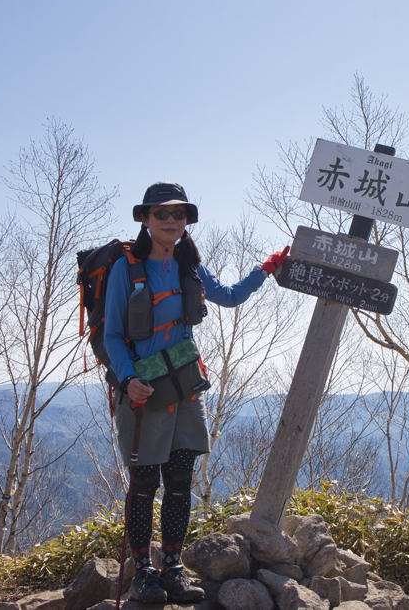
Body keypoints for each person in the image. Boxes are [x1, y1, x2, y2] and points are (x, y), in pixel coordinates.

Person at [102, 181, 288, 604]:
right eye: (161, 213)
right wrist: (128, 379)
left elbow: (228, 295)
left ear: (187, 220)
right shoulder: (126, 269)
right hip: (143, 393)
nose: (171, 220)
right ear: (145, 219)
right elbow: (113, 334)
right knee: (145, 483)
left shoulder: (189, 266)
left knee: (180, 481)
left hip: (186, 390)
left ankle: (172, 566)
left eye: (179, 213)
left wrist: (268, 268)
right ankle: (143, 573)